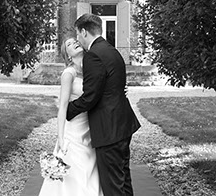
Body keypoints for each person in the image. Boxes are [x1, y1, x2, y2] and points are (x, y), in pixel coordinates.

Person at [66, 13, 141, 196]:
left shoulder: (93, 55)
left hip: (109, 129)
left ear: (84, 32)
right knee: (124, 181)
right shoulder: (112, 51)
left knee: (112, 187)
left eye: (77, 35)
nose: (77, 39)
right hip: (123, 125)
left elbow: (91, 97)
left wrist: (68, 110)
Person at [38, 37, 103, 196]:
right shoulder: (69, 73)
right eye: (69, 44)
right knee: (76, 171)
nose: (74, 42)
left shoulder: (89, 70)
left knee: (91, 169)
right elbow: (62, 108)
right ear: (67, 55)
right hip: (73, 130)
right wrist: (60, 137)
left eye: (75, 40)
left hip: (89, 127)